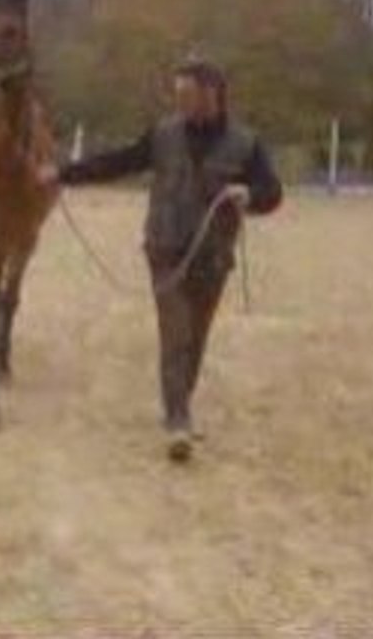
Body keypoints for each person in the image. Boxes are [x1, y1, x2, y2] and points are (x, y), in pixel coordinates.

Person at [40, 59, 283, 462]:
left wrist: (249, 195)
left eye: (187, 95)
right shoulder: (164, 135)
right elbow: (119, 162)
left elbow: (273, 192)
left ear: (212, 94)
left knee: (196, 338)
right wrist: (64, 174)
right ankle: (177, 420)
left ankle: (179, 405)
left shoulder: (246, 143)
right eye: (178, 95)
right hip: (165, 249)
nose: (180, 102)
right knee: (176, 333)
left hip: (213, 255)